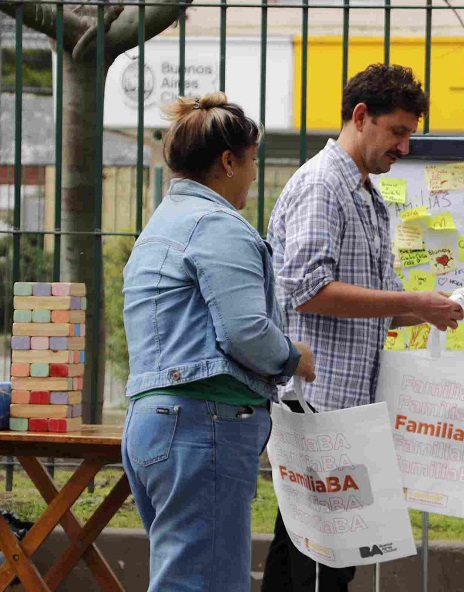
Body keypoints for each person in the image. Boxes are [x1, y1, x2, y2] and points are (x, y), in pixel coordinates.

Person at [261, 64, 463, 591]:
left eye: (410, 135)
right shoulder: (322, 186)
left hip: (349, 412)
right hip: (318, 407)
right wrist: (412, 299)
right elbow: (308, 290)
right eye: (397, 132)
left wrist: (429, 309)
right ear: (360, 117)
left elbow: (374, 307)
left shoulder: (367, 195)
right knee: (317, 567)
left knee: (315, 562)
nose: (405, 147)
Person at [121, 92, 316, 592]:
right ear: (228, 161)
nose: (253, 175)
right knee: (205, 582)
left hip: (156, 426)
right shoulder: (218, 226)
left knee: (185, 576)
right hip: (202, 427)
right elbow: (245, 330)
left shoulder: (160, 226)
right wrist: (295, 357)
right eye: (252, 162)